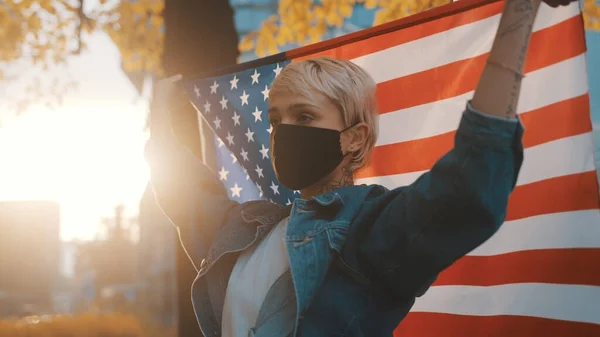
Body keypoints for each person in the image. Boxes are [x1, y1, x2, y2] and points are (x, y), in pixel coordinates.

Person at [145, 0, 577, 336]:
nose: (283, 132)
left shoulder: (368, 226)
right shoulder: (243, 229)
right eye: (276, 120)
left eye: (306, 116)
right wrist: (161, 116)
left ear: (353, 137)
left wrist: (519, 15)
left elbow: (466, 190)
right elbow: (184, 193)